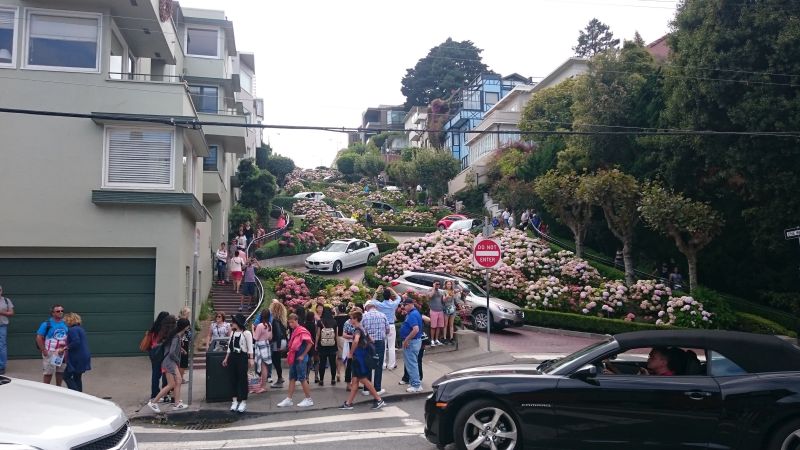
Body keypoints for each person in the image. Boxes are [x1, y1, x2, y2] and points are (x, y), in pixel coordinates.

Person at [339, 310, 386, 410]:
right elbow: (371, 340)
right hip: (363, 356)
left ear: (356, 319)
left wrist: (351, 353)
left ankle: (378, 399)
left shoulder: (357, 330)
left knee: (363, 379)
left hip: (359, 358)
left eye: (351, 318)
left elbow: (355, 340)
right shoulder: (362, 328)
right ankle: (348, 403)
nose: (350, 320)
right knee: (355, 380)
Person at [148, 317, 190, 411]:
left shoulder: (174, 334)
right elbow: (171, 353)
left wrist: (181, 350)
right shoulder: (176, 337)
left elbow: (169, 347)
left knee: (176, 382)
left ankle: (176, 403)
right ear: (185, 327)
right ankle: (154, 402)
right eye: (188, 327)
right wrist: (177, 360)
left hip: (168, 362)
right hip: (170, 362)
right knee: (173, 383)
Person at [277, 313, 314, 408]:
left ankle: (308, 399)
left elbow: (310, 343)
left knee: (302, 378)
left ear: (297, 321)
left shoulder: (301, 330)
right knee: (292, 378)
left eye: (292, 322)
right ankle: (289, 399)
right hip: (295, 357)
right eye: (289, 322)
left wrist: (303, 355)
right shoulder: (296, 330)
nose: (291, 324)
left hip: (300, 358)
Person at [221, 314, 253, 413]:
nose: (232, 324)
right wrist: (226, 358)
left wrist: (251, 358)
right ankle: (234, 401)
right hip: (233, 357)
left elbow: (250, 347)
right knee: (233, 379)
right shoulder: (232, 333)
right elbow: (230, 348)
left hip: (242, 357)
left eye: (234, 322)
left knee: (242, 379)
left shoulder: (246, 333)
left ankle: (243, 401)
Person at [360, 300, 389, 396]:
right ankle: (377, 388)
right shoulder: (383, 315)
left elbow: (361, 331)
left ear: (367, 307)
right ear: (375, 307)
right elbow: (388, 329)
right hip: (380, 342)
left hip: (368, 343)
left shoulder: (364, 316)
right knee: (378, 365)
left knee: (367, 364)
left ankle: (367, 389)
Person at [36, 304, 69, 386]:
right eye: (58, 311)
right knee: (48, 373)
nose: (60, 312)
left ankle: (58, 388)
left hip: (62, 352)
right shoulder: (46, 324)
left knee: (60, 372)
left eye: (62, 311)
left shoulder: (66, 323)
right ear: (53, 313)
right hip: (50, 351)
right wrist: (44, 350)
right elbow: (39, 337)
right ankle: (47, 389)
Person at [400, 298, 424, 392]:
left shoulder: (412, 315)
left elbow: (416, 329)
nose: (404, 307)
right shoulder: (414, 313)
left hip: (411, 342)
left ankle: (416, 385)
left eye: (405, 305)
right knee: (412, 363)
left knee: (411, 364)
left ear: (410, 304)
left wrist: (406, 340)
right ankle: (415, 382)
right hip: (415, 341)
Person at [62, 313, 91, 392]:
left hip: (77, 357)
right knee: (77, 377)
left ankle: (75, 394)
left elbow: (76, 341)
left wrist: (66, 347)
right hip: (84, 355)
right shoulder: (80, 329)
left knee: (66, 376)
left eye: (66, 321)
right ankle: (80, 395)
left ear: (70, 321)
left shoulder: (72, 330)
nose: (65, 322)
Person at [375, 287, 401, 370]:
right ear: (390, 296)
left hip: (382, 326)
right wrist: (391, 290)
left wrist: (377, 291)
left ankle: (383, 364)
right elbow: (399, 298)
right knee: (391, 346)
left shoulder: (380, 305)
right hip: (391, 325)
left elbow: (372, 300)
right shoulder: (393, 304)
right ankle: (391, 365)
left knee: (383, 346)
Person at [145, 311, 170, 401]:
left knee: (155, 374)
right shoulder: (164, 329)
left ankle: (154, 394)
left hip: (153, 352)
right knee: (165, 374)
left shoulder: (153, 327)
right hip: (162, 352)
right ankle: (164, 394)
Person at [315, 305, 338, 386]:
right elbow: (336, 335)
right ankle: (333, 379)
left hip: (322, 345)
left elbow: (318, 334)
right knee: (333, 363)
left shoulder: (320, 321)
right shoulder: (334, 321)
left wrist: (316, 344)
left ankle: (321, 380)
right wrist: (336, 345)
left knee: (322, 363)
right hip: (332, 345)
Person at [253, 310, 272, 394]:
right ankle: (262, 385)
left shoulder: (260, 325)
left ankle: (263, 386)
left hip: (260, 346)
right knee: (265, 366)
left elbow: (255, 338)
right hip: (266, 345)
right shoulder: (269, 325)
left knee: (262, 367)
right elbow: (270, 337)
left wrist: (252, 329)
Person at [269, 301, 288, 387]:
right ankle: (280, 378)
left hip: (278, 342)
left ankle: (280, 378)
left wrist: (279, 345)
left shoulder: (275, 320)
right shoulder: (282, 320)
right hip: (283, 341)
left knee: (275, 360)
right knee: (277, 360)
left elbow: (278, 333)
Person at [442, 280, 461, 345]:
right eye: (448, 284)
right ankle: (444, 338)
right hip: (446, 309)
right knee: (445, 324)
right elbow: (443, 300)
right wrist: (447, 296)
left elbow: (460, 289)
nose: (449, 285)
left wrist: (457, 284)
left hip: (453, 309)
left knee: (451, 324)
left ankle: (451, 338)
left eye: (450, 284)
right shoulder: (444, 291)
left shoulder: (453, 291)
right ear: (445, 285)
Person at [0, 285, 14, 375]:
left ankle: (1, 366)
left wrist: (2, 312)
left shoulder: (6, 300)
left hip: (2, 326)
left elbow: (11, 313)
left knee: (2, 346)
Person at [428, 282, 445, 346]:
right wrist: (434, 288)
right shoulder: (430, 290)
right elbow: (430, 296)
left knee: (438, 326)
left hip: (440, 310)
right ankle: (432, 340)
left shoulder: (441, 292)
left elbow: (443, 300)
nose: (438, 285)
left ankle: (436, 340)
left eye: (439, 284)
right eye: (436, 284)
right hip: (433, 310)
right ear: (433, 284)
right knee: (433, 326)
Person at [178, 307, 192, 383]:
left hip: (180, 342)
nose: (189, 315)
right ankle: (180, 378)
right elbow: (188, 333)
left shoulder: (178, 320)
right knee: (183, 362)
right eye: (188, 313)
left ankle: (180, 378)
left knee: (180, 361)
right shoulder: (185, 321)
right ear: (186, 313)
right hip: (184, 342)